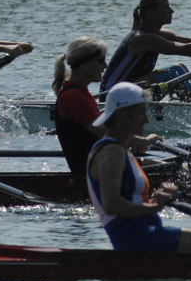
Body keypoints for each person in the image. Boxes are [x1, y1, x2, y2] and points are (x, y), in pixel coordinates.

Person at [86, 82, 191, 252]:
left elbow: (130, 201)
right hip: (139, 241)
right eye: (141, 112)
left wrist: (157, 198)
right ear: (122, 115)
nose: (147, 119)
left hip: (149, 234)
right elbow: (112, 205)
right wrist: (155, 206)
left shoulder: (119, 149)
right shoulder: (112, 152)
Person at [52, 36, 159, 177]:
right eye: (100, 61)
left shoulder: (81, 92)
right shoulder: (73, 97)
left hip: (104, 162)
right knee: (173, 167)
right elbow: (107, 134)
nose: (105, 66)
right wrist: (144, 140)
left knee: (172, 163)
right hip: (94, 173)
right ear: (84, 64)